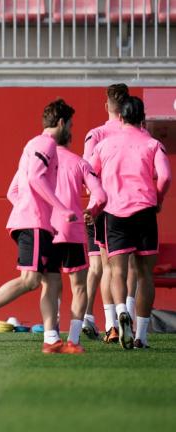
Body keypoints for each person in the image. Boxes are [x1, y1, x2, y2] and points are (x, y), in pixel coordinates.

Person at [0, 99, 78, 354]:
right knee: (31, 280)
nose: (71, 129)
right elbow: (35, 178)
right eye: (69, 124)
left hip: (38, 223)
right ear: (60, 123)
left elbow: (13, 190)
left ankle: (51, 340)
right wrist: (55, 209)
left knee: (53, 281)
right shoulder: (45, 144)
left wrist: (39, 215)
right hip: (34, 223)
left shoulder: (36, 147)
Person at [90, 96, 171, 349]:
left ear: (121, 117)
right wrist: (157, 198)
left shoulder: (104, 145)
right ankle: (141, 336)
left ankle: (122, 310)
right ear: (142, 118)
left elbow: (91, 176)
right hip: (144, 210)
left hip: (114, 212)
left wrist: (95, 204)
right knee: (145, 274)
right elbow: (166, 176)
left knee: (116, 270)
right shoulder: (153, 144)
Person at [37, 134, 107, 354]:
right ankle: (73, 340)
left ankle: (51, 337)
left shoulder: (39, 160)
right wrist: (92, 211)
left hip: (48, 228)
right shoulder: (79, 162)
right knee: (78, 287)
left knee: (49, 285)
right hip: (72, 230)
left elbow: (16, 192)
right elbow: (100, 195)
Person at [82, 83, 130, 343]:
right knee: (129, 268)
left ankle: (109, 322)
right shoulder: (137, 133)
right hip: (135, 206)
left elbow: (86, 172)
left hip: (103, 207)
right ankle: (127, 318)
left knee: (102, 266)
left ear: (106, 105)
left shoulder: (97, 134)